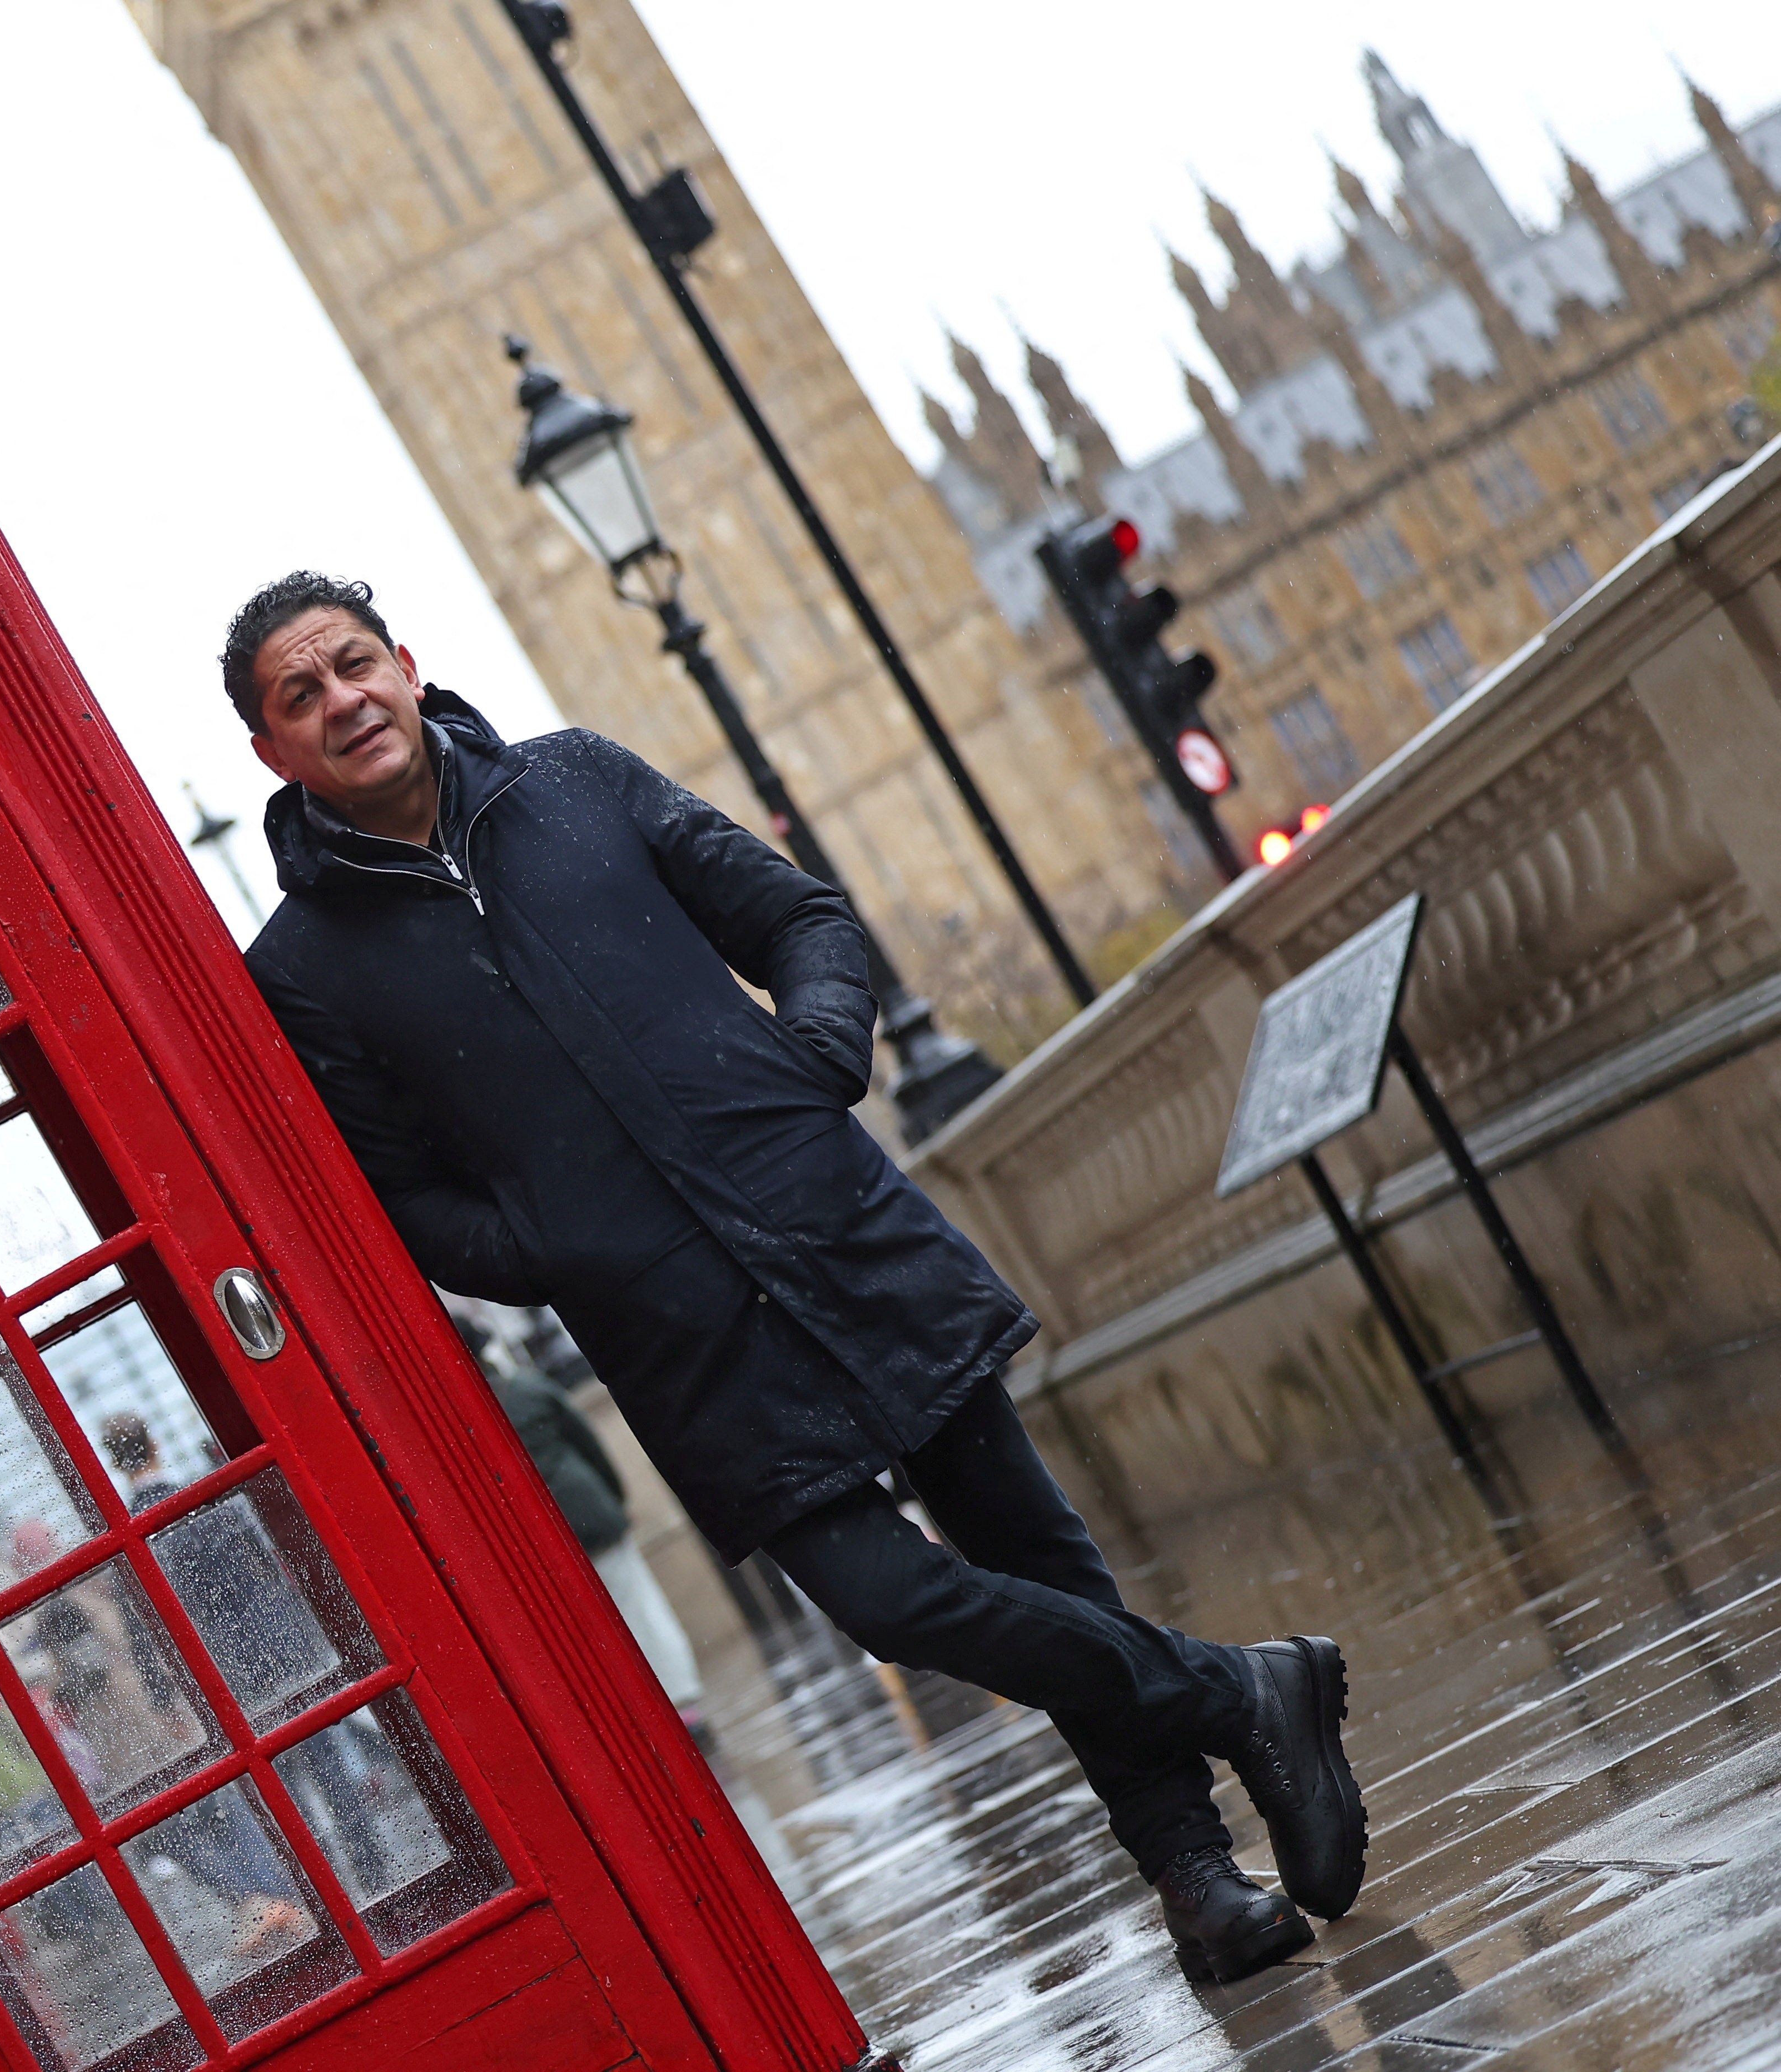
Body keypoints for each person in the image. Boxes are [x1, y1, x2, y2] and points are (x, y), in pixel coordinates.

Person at [223, 571, 1365, 1985]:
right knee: (891, 1600)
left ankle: (1198, 1877)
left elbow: (804, 919)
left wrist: (818, 1053)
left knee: (1036, 1555)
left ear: (406, 661)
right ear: (273, 755)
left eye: (350, 664)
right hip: (683, 1334)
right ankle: (1244, 1688)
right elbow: (405, 1205)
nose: (341, 700)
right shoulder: (304, 969)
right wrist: (566, 1241)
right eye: (300, 696)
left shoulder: (576, 780)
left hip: (835, 1228)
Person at [449, 1305, 714, 1750]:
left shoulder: (462, 1418)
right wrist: (615, 1498)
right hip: (589, 1511)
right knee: (641, 1611)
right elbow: (587, 1443)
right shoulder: (528, 1388)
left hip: (537, 1533)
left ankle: (635, 1720)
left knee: (591, 1630)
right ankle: (684, 1707)